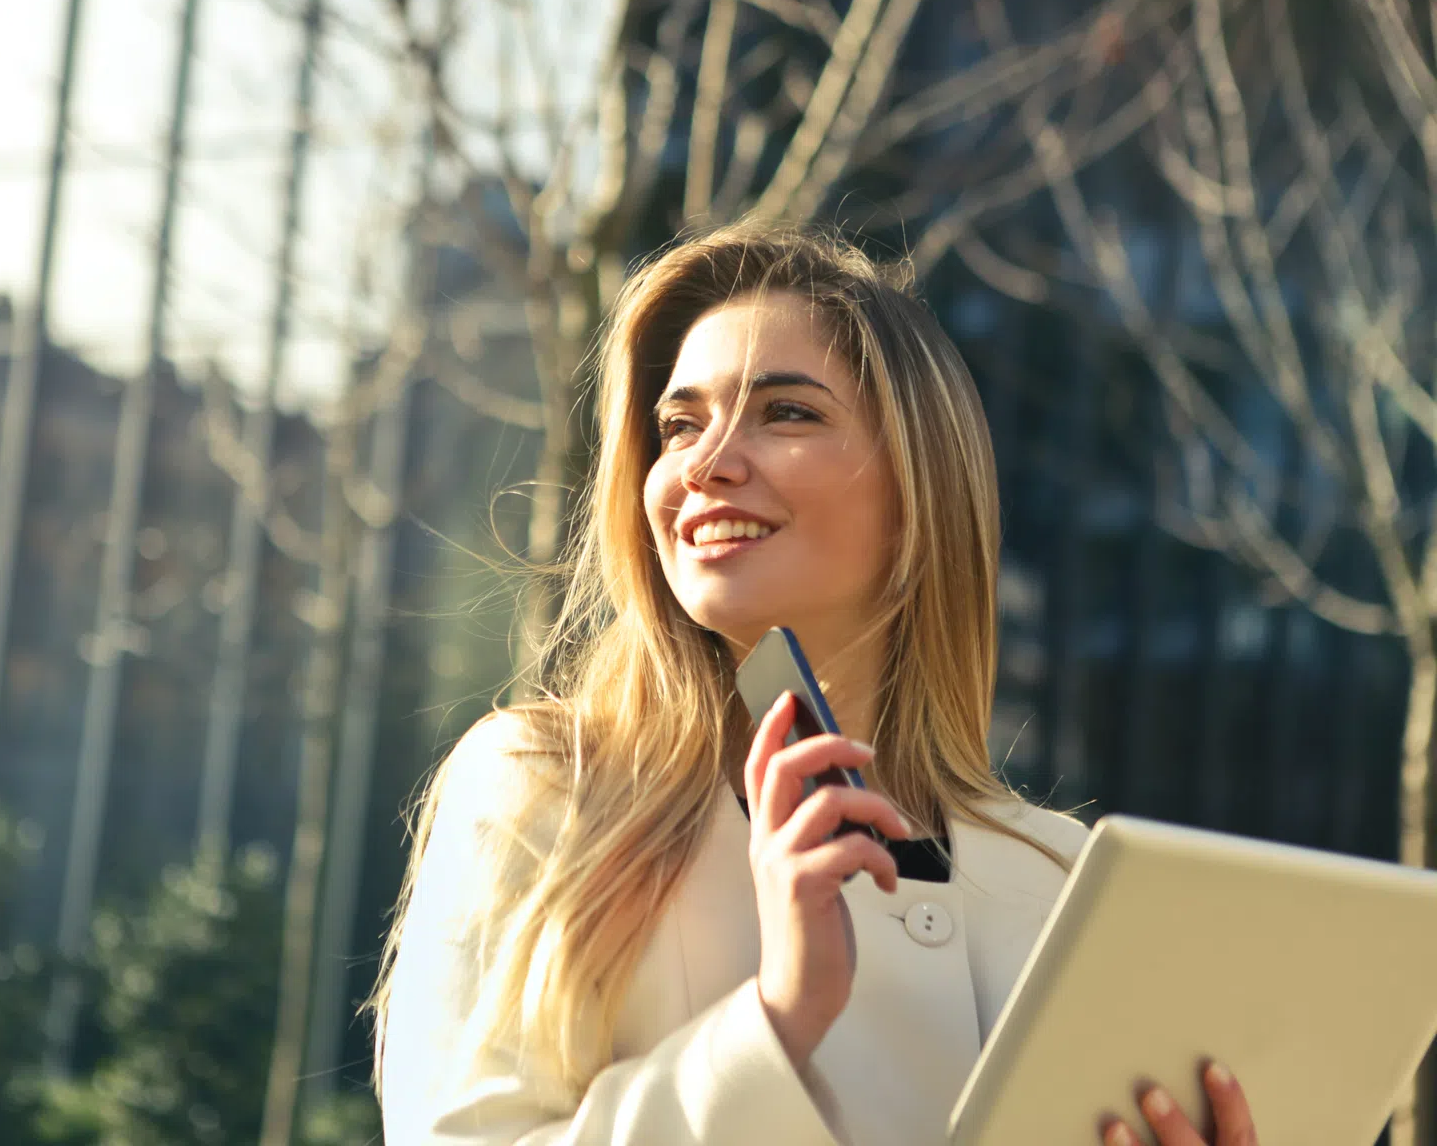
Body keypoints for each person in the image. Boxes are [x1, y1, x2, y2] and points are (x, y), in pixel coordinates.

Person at [366, 224, 1259, 1146]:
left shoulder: (1058, 875)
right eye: (679, 424)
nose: (705, 463)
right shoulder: (548, 785)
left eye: (785, 413)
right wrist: (776, 1020)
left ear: (921, 484)